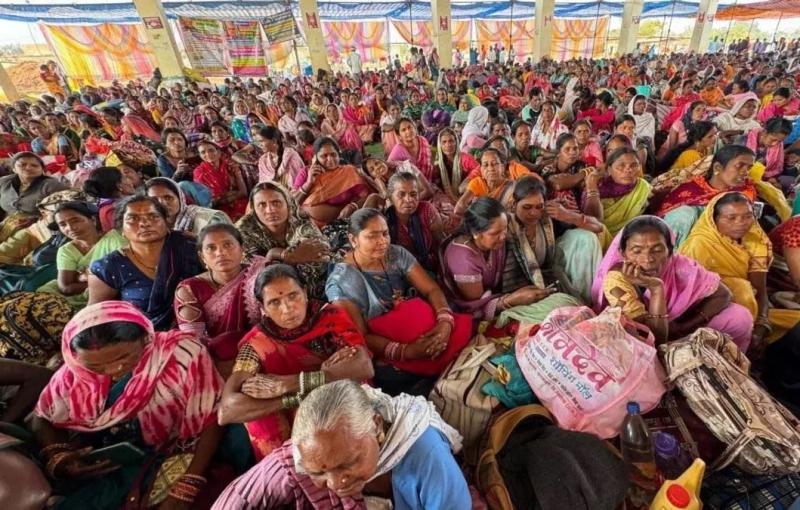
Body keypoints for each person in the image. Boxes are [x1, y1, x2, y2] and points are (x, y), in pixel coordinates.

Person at [31, 301, 225, 509]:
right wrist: (58, 456)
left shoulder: (181, 353)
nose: (113, 370)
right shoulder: (74, 372)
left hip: (169, 449)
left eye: (124, 357)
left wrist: (188, 484)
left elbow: (211, 417)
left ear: (145, 338)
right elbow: (42, 416)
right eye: (95, 366)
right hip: (102, 459)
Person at [212, 380, 469, 510]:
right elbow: (238, 498)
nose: (336, 484)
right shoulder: (308, 453)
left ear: (376, 425)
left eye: (348, 463)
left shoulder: (426, 456)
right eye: (319, 473)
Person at [217, 264, 373, 459]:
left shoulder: (329, 318)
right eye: (274, 302)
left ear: (305, 293)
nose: (287, 308)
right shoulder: (257, 343)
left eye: (293, 296)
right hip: (290, 411)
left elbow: (364, 367)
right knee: (258, 417)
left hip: (337, 402)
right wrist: (296, 396)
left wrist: (288, 384)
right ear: (263, 308)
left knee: (320, 409)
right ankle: (285, 467)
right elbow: (227, 411)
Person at [326, 209, 471, 396]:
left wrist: (445, 324)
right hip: (389, 349)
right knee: (392, 378)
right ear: (354, 240)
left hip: (428, 332)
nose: (382, 241)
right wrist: (407, 351)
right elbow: (360, 336)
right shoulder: (342, 281)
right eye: (372, 236)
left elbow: (431, 290)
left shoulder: (396, 254)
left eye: (385, 233)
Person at [592, 216, 753, 348]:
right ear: (623, 253)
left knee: (739, 316)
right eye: (637, 251)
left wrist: (686, 326)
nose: (647, 259)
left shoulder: (681, 266)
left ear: (670, 251)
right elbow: (654, 338)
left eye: (657, 250)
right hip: (640, 341)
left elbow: (723, 294)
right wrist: (656, 288)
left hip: (678, 327)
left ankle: (727, 367)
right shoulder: (617, 279)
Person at [680, 192, 800, 354]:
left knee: (795, 322)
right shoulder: (699, 245)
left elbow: (760, 291)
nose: (741, 223)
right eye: (731, 218)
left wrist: (761, 325)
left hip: (752, 306)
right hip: (707, 313)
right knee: (741, 288)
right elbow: (689, 299)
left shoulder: (755, 240)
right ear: (714, 219)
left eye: (748, 216)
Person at [442, 197, 576, 322]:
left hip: (502, 297)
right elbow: (475, 308)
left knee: (563, 301)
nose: (503, 237)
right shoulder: (464, 259)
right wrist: (510, 300)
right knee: (558, 307)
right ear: (475, 233)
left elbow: (521, 218)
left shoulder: (495, 239)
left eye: (505, 229)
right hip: (473, 315)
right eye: (495, 233)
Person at [88, 195, 203, 330]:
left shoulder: (190, 247)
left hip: (201, 330)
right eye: (133, 219)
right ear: (121, 230)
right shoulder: (110, 267)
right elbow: (97, 316)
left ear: (166, 223)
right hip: (143, 338)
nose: (145, 223)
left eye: (153, 216)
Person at [174, 223, 268, 378]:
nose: (220, 253)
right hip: (214, 360)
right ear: (202, 257)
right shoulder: (189, 289)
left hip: (263, 350)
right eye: (211, 248)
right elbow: (193, 341)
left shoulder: (260, 275)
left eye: (228, 245)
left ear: (242, 249)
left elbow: (274, 326)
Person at [237, 182, 330, 299]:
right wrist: (285, 256)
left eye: (276, 203)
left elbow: (319, 253)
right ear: (254, 209)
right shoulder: (244, 231)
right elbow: (254, 275)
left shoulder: (299, 219)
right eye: (262, 205)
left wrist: (274, 257)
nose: (270, 210)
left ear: (288, 203)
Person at [658, 144, 757, 246]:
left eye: (749, 168)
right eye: (739, 166)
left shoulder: (745, 191)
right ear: (717, 167)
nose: (745, 172)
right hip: (691, 244)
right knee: (684, 214)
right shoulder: (690, 189)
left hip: (726, 244)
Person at [37, 202, 126, 309]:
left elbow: (122, 275)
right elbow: (65, 287)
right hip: (71, 297)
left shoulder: (114, 240)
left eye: (75, 221)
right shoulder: (66, 250)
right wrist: (97, 280)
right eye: (63, 225)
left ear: (93, 220)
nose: (70, 228)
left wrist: (84, 278)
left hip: (107, 294)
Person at [293, 137, 370, 226]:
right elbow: (292, 202)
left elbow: (366, 197)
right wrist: (308, 183)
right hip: (311, 227)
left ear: (338, 154)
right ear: (315, 157)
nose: (330, 159)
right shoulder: (305, 172)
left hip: (344, 223)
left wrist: (353, 206)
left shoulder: (348, 171)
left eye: (333, 154)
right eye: (324, 156)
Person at [384, 171, 445, 273]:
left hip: (431, 264)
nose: (408, 200)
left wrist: (443, 271)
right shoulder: (385, 220)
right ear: (391, 197)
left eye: (413, 194)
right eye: (401, 194)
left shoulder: (426, 210)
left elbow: (440, 242)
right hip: (401, 271)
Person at [0, 152, 67, 243]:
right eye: (23, 164)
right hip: (7, 225)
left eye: (34, 165)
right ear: (14, 169)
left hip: (38, 228)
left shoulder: (51, 185)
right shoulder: (4, 182)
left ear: (42, 169)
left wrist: (36, 219)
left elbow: (64, 210)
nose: (28, 168)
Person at [145, 177, 231, 236]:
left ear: (180, 198)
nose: (162, 203)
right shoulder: (150, 228)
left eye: (168, 197)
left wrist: (199, 242)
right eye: (154, 200)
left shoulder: (208, 220)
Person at [597, 147, 651, 236]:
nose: (628, 170)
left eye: (634, 165)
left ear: (639, 167)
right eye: (621, 166)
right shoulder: (597, 188)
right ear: (609, 169)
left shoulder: (642, 187)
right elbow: (593, 220)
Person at [193, 140, 248, 222]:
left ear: (218, 152)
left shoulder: (230, 166)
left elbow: (243, 192)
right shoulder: (199, 172)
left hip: (238, 202)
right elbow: (207, 203)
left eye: (211, 150)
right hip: (217, 209)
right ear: (200, 156)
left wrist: (230, 197)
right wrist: (227, 198)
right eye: (203, 152)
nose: (208, 154)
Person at [82, 166, 137, 232]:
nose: (130, 182)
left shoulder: (107, 207)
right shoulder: (113, 210)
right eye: (125, 178)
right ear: (119, 185)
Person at [387, 117, 433, 182]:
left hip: (430, 180)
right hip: (413, 185)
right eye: (403, 130)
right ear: (399, 136)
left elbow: (430, 162)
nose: (408, 131)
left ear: (415, 128)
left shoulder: (423, 140)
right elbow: (388, 167)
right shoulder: (398, 150)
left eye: (410, 127)